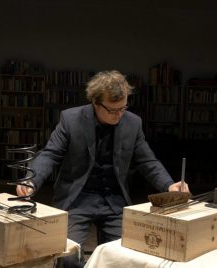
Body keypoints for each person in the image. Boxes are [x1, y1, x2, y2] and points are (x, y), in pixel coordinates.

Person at [16, 70, 189, 267]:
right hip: (77, 198)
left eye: (123, 108)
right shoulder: (71, 119)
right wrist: (32, 180)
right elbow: (50, 153)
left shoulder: (133, 123)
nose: (119, 115)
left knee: (123, 257)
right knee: (68, 257)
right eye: (113, 110)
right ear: (95, 103)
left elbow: (147, 161)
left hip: (114, 200)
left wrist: (169, 185)